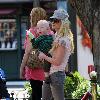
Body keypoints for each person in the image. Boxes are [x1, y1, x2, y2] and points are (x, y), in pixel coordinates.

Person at [38, 8, 74, 100]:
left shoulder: (62, 40)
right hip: (51, 74)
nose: (53, 22)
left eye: (56, 20)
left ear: (63, 23)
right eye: (52, 20)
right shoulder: (57, 36)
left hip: (56, 75)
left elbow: (57, 62)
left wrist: (44, 56)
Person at [20, 7, 47, 100]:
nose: (30, 17)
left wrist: (22, 67)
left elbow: (27, 52)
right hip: (46, 65)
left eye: (31, 15)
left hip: (34, 67)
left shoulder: (32, 32)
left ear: (34, 17)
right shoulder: (48, 31)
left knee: (36, 94)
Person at [27, 20, 54, 84]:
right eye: (38, 28)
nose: (39, 29)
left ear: (48, 29)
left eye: (41, 27)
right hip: (43, 53)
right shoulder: (39, 38)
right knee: (46, 64)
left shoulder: (51, 37)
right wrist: (33, 39)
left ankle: (65, 71)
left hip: (51, 53)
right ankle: (47, 76)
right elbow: (35, 46)